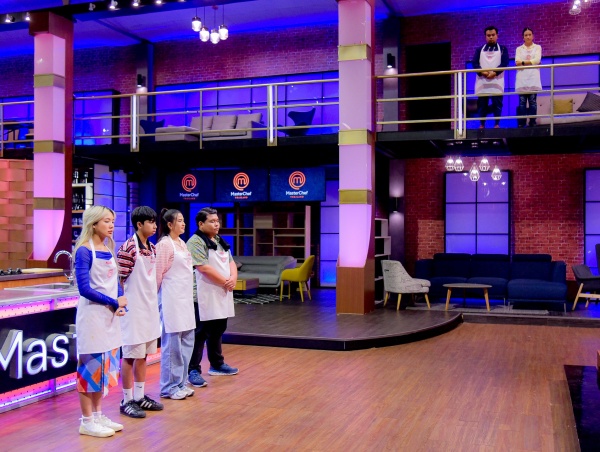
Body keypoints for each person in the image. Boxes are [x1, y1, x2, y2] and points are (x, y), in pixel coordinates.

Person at [74, 205, 127, 438]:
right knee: (89, 370)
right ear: (94, 224)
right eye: (106, 221)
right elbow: (84, 289)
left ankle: (97, 415)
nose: (111, 225)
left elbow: (115, 281)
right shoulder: (84, 251)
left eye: (112, 221)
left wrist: (120, 303)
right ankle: (87, 421)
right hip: (92, 318)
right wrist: (113, 302)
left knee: (103, 370)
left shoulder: (108, 249)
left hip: (109, 318)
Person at [116, 206, 163, 418]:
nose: (154, 226)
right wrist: (121, 306)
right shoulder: (128, 248)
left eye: (155, 222)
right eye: (151, 222)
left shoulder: (152, 248)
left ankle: (140, 396)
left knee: (143, 355)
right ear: (139, 224)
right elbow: (119, 280)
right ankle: (126, 400)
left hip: (149, 309)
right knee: (129, 356)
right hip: (133, 311)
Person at [186, 207, 238, 388]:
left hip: (220, 292)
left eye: (217, 221)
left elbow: (231, 262)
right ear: (201, 224)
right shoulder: (195, 241)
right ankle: (193, 370)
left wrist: (233, 278)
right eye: (212, 221)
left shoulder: (218, 240)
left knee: (218, 328)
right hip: (201, 295)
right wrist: (226, 282)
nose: (217, 224)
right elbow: (203, 268)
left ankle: (217, 364)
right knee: (200, 333)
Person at [155, 208, 196, 400]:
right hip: (171, 299)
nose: (183, 223)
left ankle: (181, 382)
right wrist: (152, 301)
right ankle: (169, 387)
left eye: (183, 220)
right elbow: (157, 275)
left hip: (185, 299)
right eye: (179, 220)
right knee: (173, 345)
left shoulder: (182, 243)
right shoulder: (164, 244)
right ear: (170, 224)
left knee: (187, 341)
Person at [472, 26, 509, 128]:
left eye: (493, 35)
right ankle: (482, 124)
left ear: (497, 36)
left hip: (497, 81)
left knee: (497, 104)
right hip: (482, 82)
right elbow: (474, 63)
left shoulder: (503, 49)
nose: (491, 37)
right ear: (485, 36)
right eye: (488, 35)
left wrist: (495, 72)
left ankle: (497, 124)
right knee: (482, 105)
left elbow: (505, 63)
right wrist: (482, 72)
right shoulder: (479, 49)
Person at [515, 27, 542, 127]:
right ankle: (522, 123)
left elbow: (537, 60)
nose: (528, 37)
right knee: (522, 102)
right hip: (522, 78)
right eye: (526, 35)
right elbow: (517, 62)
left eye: (529, 34)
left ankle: (532, 122)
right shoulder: (519, 49)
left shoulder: (537, 47)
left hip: (533, 78)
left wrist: (523, 62)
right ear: (523, 37)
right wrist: (531, 62)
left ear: (533, 36)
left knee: (532, 102)